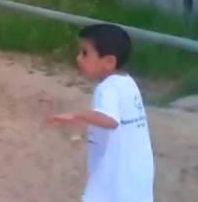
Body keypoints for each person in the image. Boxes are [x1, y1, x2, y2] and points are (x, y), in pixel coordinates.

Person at [48, 23, 154, 202]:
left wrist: (78, 116)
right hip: (137, 169)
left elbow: (110, 120)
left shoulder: (107, 88)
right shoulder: (128, 83)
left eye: (85, 53)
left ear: (109, 62)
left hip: (116, 172)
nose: (79, 59)